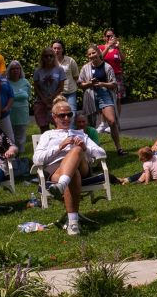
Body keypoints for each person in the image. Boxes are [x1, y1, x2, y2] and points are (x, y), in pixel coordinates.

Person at [32, 98, 107, 235]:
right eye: (62, 115)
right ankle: (73, 223)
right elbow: (37, 159)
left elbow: (102, 153)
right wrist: (60, 147)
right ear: (54, 117)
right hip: (57, 170)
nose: (66, 118)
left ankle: (61, 186)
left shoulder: (80, 133)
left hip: (81, 167)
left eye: (69, 114)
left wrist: (85, 148)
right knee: (73, 175)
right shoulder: (47, 135)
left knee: (77, 150)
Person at [79, 44, 125, 155]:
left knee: (112, 121)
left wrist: (102, 84)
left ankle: (119, 148)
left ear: (99, 53)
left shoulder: (107, 67)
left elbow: (114, 84)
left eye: (93, 53)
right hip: (90, 95)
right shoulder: (85, 68)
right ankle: (91, 149)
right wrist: (90, 83)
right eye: (89, 54)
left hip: (104, 93)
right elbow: (80, 84)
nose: (91, 55)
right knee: (90, 124)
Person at [32, 48, 65, 131]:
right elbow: (36, 88)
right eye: (46, 56)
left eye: (51, 56)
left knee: (59, 126)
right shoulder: (38, 71)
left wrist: (51, 98)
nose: (49, 58)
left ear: (54, 57)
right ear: (42, 58)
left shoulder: (60, 70)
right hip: (41, 101)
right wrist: (44, 100)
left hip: (56, 100)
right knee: (44, 128)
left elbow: (61, 87)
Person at [5, 61, 32, 157]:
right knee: (10, 137)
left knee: (21, 137)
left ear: (20, 70)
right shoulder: (6, 82)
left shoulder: (25, 82)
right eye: (13, 69)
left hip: (22, 113)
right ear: (9, 71)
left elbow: (28, 95)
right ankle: (11, 156)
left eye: (17, 68)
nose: (15, 70)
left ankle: (20, 157)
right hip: (10, 113)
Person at [98, 29, 125, 106]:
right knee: (107, 98)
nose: (110, 37)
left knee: (118, 99)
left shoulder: (116, 48)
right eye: (108, 36)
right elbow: (100, 58)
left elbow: (123, 59)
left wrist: (119, 48)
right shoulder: (101, 47)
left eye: (111, 36)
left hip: (117, 76)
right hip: (105, 76)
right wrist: (108, 46)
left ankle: (117, 118)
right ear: (104, 38)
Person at [51, 39, 81, 112]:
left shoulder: (70, 60)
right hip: (57, 94)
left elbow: (76, 76)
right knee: (59, 115)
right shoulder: (49, 62)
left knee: (72, 113)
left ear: (62, 49)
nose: (56, 50)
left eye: (59, 48)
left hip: (70, 92)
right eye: (54, 48)